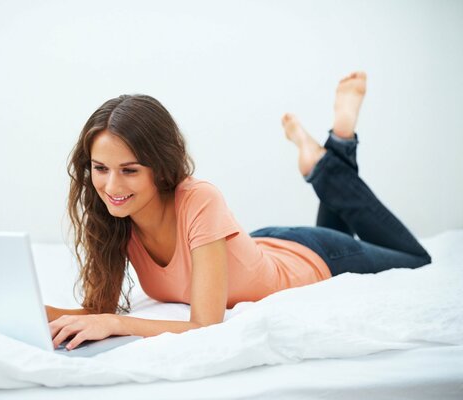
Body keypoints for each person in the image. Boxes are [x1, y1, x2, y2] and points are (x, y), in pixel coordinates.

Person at [46, 72, 432, 351]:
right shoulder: (117, 217)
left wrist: (116, 323)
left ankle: (328, 160)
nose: (111, 187)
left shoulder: (198, 198)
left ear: (160, 167)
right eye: (100, 169)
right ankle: (336, 145)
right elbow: (96, 311)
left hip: (314, 257)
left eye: (129, 170)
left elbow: (204, 326)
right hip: (263, 246)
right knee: (344, 227)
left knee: (417, 258)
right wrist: (35, 311)